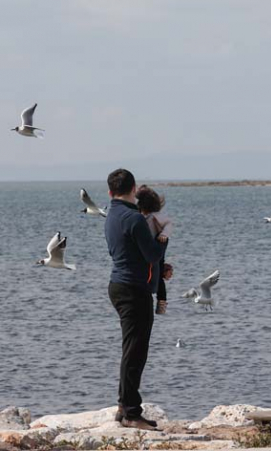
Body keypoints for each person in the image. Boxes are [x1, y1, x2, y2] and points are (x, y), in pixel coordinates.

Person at [104, 168, 167, 430]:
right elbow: (152, 253)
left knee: (131, 349)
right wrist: (164, 237)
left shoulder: (111, 216)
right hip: (133, 290)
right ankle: (131, 412)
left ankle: (124, 407)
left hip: (118, 285)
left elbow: (125, 252)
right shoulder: (134, 218)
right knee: (135, 352)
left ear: (110, 192)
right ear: (133, 190)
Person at [135, 186, 173, 316]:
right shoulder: (139, 216)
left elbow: (169, 224)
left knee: (160, 273)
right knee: (157, 273)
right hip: (149, 247)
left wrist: (164, 235)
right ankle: (159, 301)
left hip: (157, 243)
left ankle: (161, 303)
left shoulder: (156, 216)